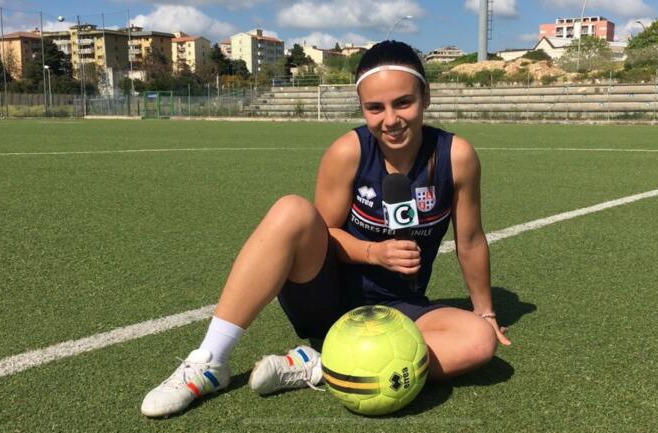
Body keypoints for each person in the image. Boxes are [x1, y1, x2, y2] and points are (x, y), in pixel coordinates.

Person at [141, 40, 511, 418]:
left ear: (426, 97)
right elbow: (323, 234)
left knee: (479, 342)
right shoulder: (347, 152)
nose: (391, 119)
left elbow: (469, 239)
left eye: (403, 102)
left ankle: (321, 364)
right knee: (293, 211)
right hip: (328, 296)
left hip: (399, 307)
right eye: (375, 107)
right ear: (362, 107)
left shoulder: (456, 156)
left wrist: (485, 313)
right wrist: (373, 252)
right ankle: (210, 362)